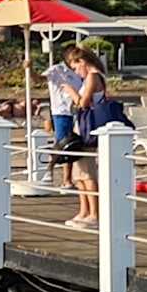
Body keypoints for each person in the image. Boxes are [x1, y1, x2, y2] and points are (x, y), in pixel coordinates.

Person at [66, 47, 110, 228]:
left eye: (76, 68)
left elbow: (83, 103)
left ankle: (94, 214)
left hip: (88, 126)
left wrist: (71, 92)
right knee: (79, 173)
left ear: (82, 62)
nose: (77, 72)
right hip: (82, 126)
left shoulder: (93, 76)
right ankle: (84, 211)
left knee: (87, 172)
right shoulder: (91, 77)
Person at [45, 44, 89, 188]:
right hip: (61, 112)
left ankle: (68, 179)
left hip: (77, 111)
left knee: (73, 144)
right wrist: (30, 69)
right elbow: (39, 79)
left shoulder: (80, 71)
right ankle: (51, 169)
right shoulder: (56, 70)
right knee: (63, 143)